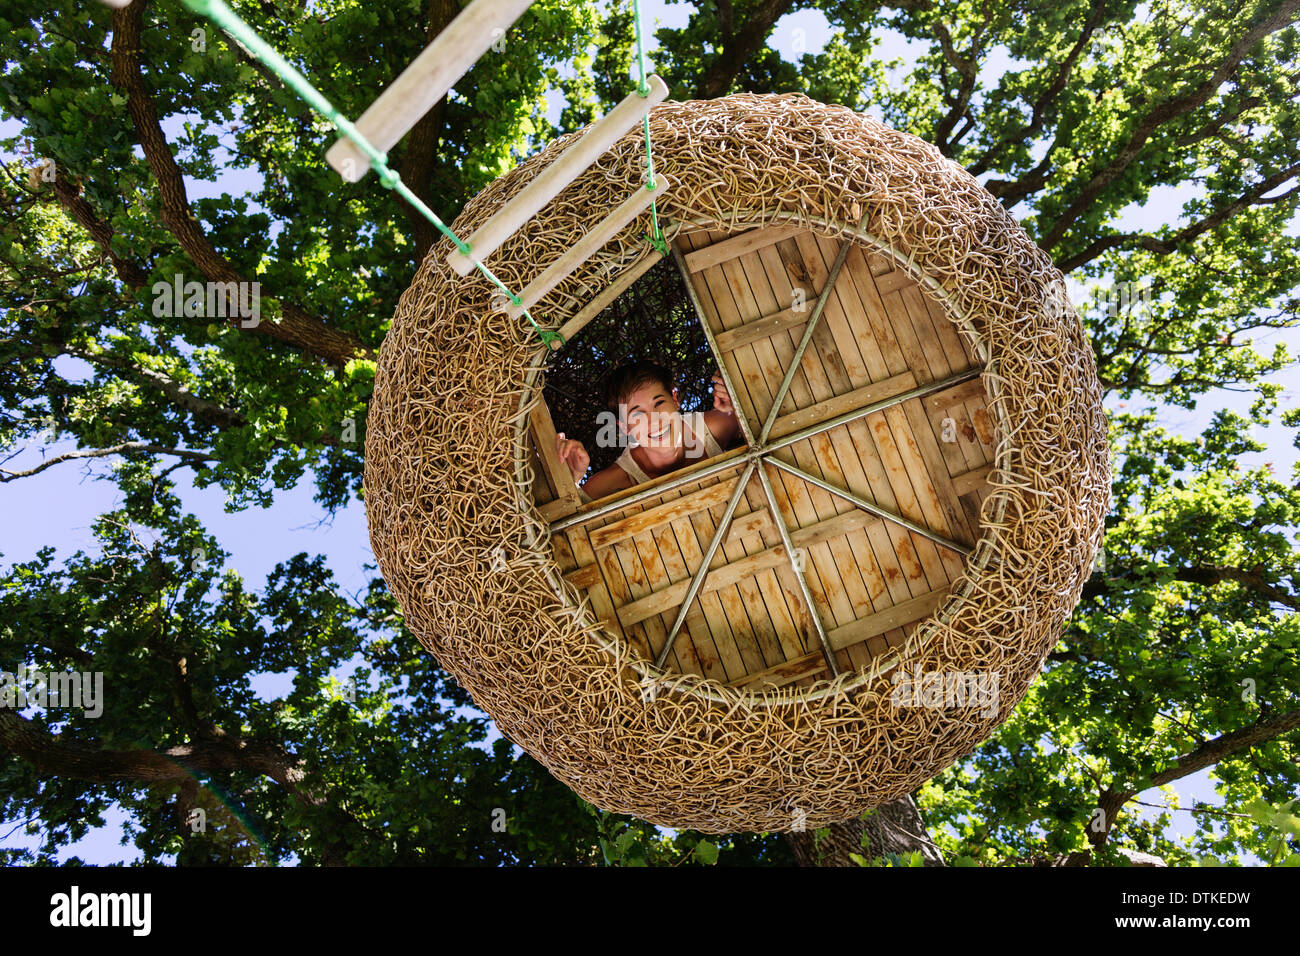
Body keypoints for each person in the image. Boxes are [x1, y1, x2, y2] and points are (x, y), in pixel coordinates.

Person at [555, 358, 741, 502]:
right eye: (638, 415)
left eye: (659, 403)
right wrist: (571, 481)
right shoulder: (617, 480)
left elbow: (758, 418)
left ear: (675, 400)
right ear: (625, 427)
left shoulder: (712, 428)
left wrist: (738, 403)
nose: (655, 420)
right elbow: (569, 519)